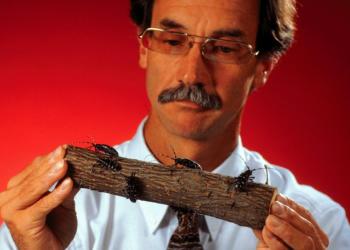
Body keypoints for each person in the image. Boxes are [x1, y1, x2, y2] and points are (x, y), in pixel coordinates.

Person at [1, 0, 349, 249]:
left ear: (263, 67)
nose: (191, 74)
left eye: (225, 48)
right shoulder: (44, 217)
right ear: (144, 47)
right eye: (172, 41)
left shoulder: (322, 229)